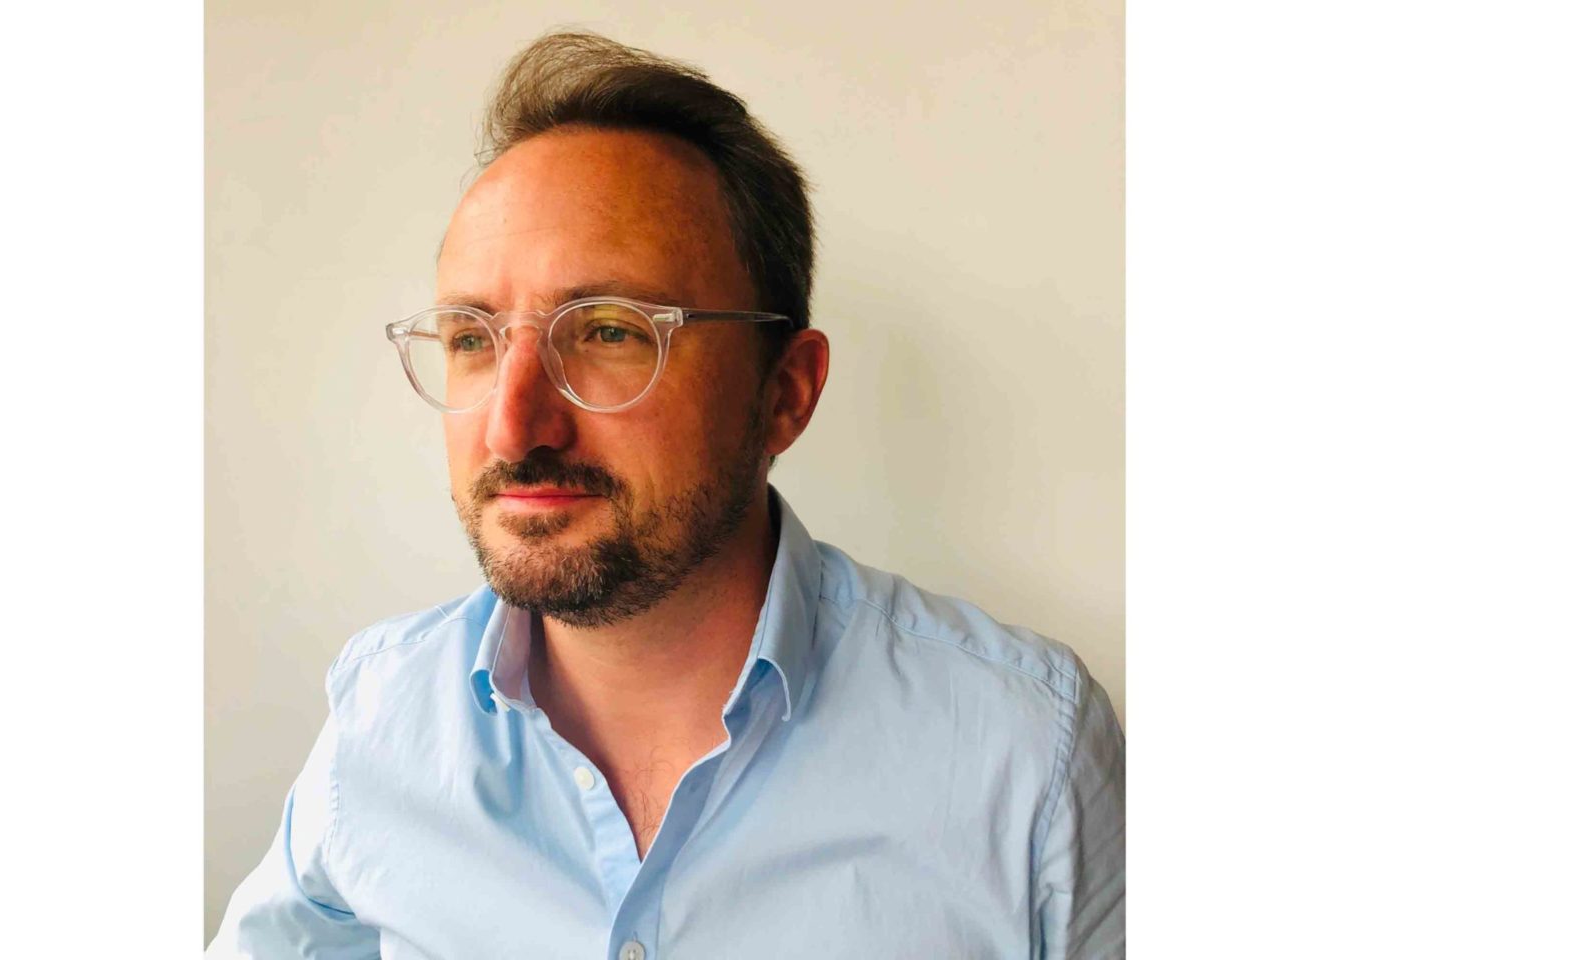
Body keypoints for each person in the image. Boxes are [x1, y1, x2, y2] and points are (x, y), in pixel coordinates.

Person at [208, 30, 1124, 959]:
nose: (513, 429)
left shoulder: (1025, 755)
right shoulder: (382, 718)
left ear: (785, 393)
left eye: (609, 331)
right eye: (473, 339)